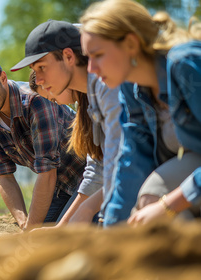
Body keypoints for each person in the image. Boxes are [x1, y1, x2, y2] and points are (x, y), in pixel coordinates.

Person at [79, 0, 201, 226]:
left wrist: (169, 204)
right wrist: (112, 228)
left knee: (155, 199)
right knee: (145, 204)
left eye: (98, 55)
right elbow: (133, 160)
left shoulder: (186, 64)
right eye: (88, 58)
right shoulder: (130, 87)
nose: (91, 70)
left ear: (131, 44)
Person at [10, 20, 122, 226]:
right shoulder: (90, 101)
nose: (39, 79)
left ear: (69, 56)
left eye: (42, 67)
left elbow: (125, 165)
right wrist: (63, 227)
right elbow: (97, 168)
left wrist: (85, 212)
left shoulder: (110, 88)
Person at [0, 53, 86, 230]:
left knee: (67, 234)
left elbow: (47, 173)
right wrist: (24, 222)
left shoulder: (37, 101)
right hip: (58, 188)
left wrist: (31, 229)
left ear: (2, 77)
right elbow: (3, 174)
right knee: (39, 233)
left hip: (88, 176)